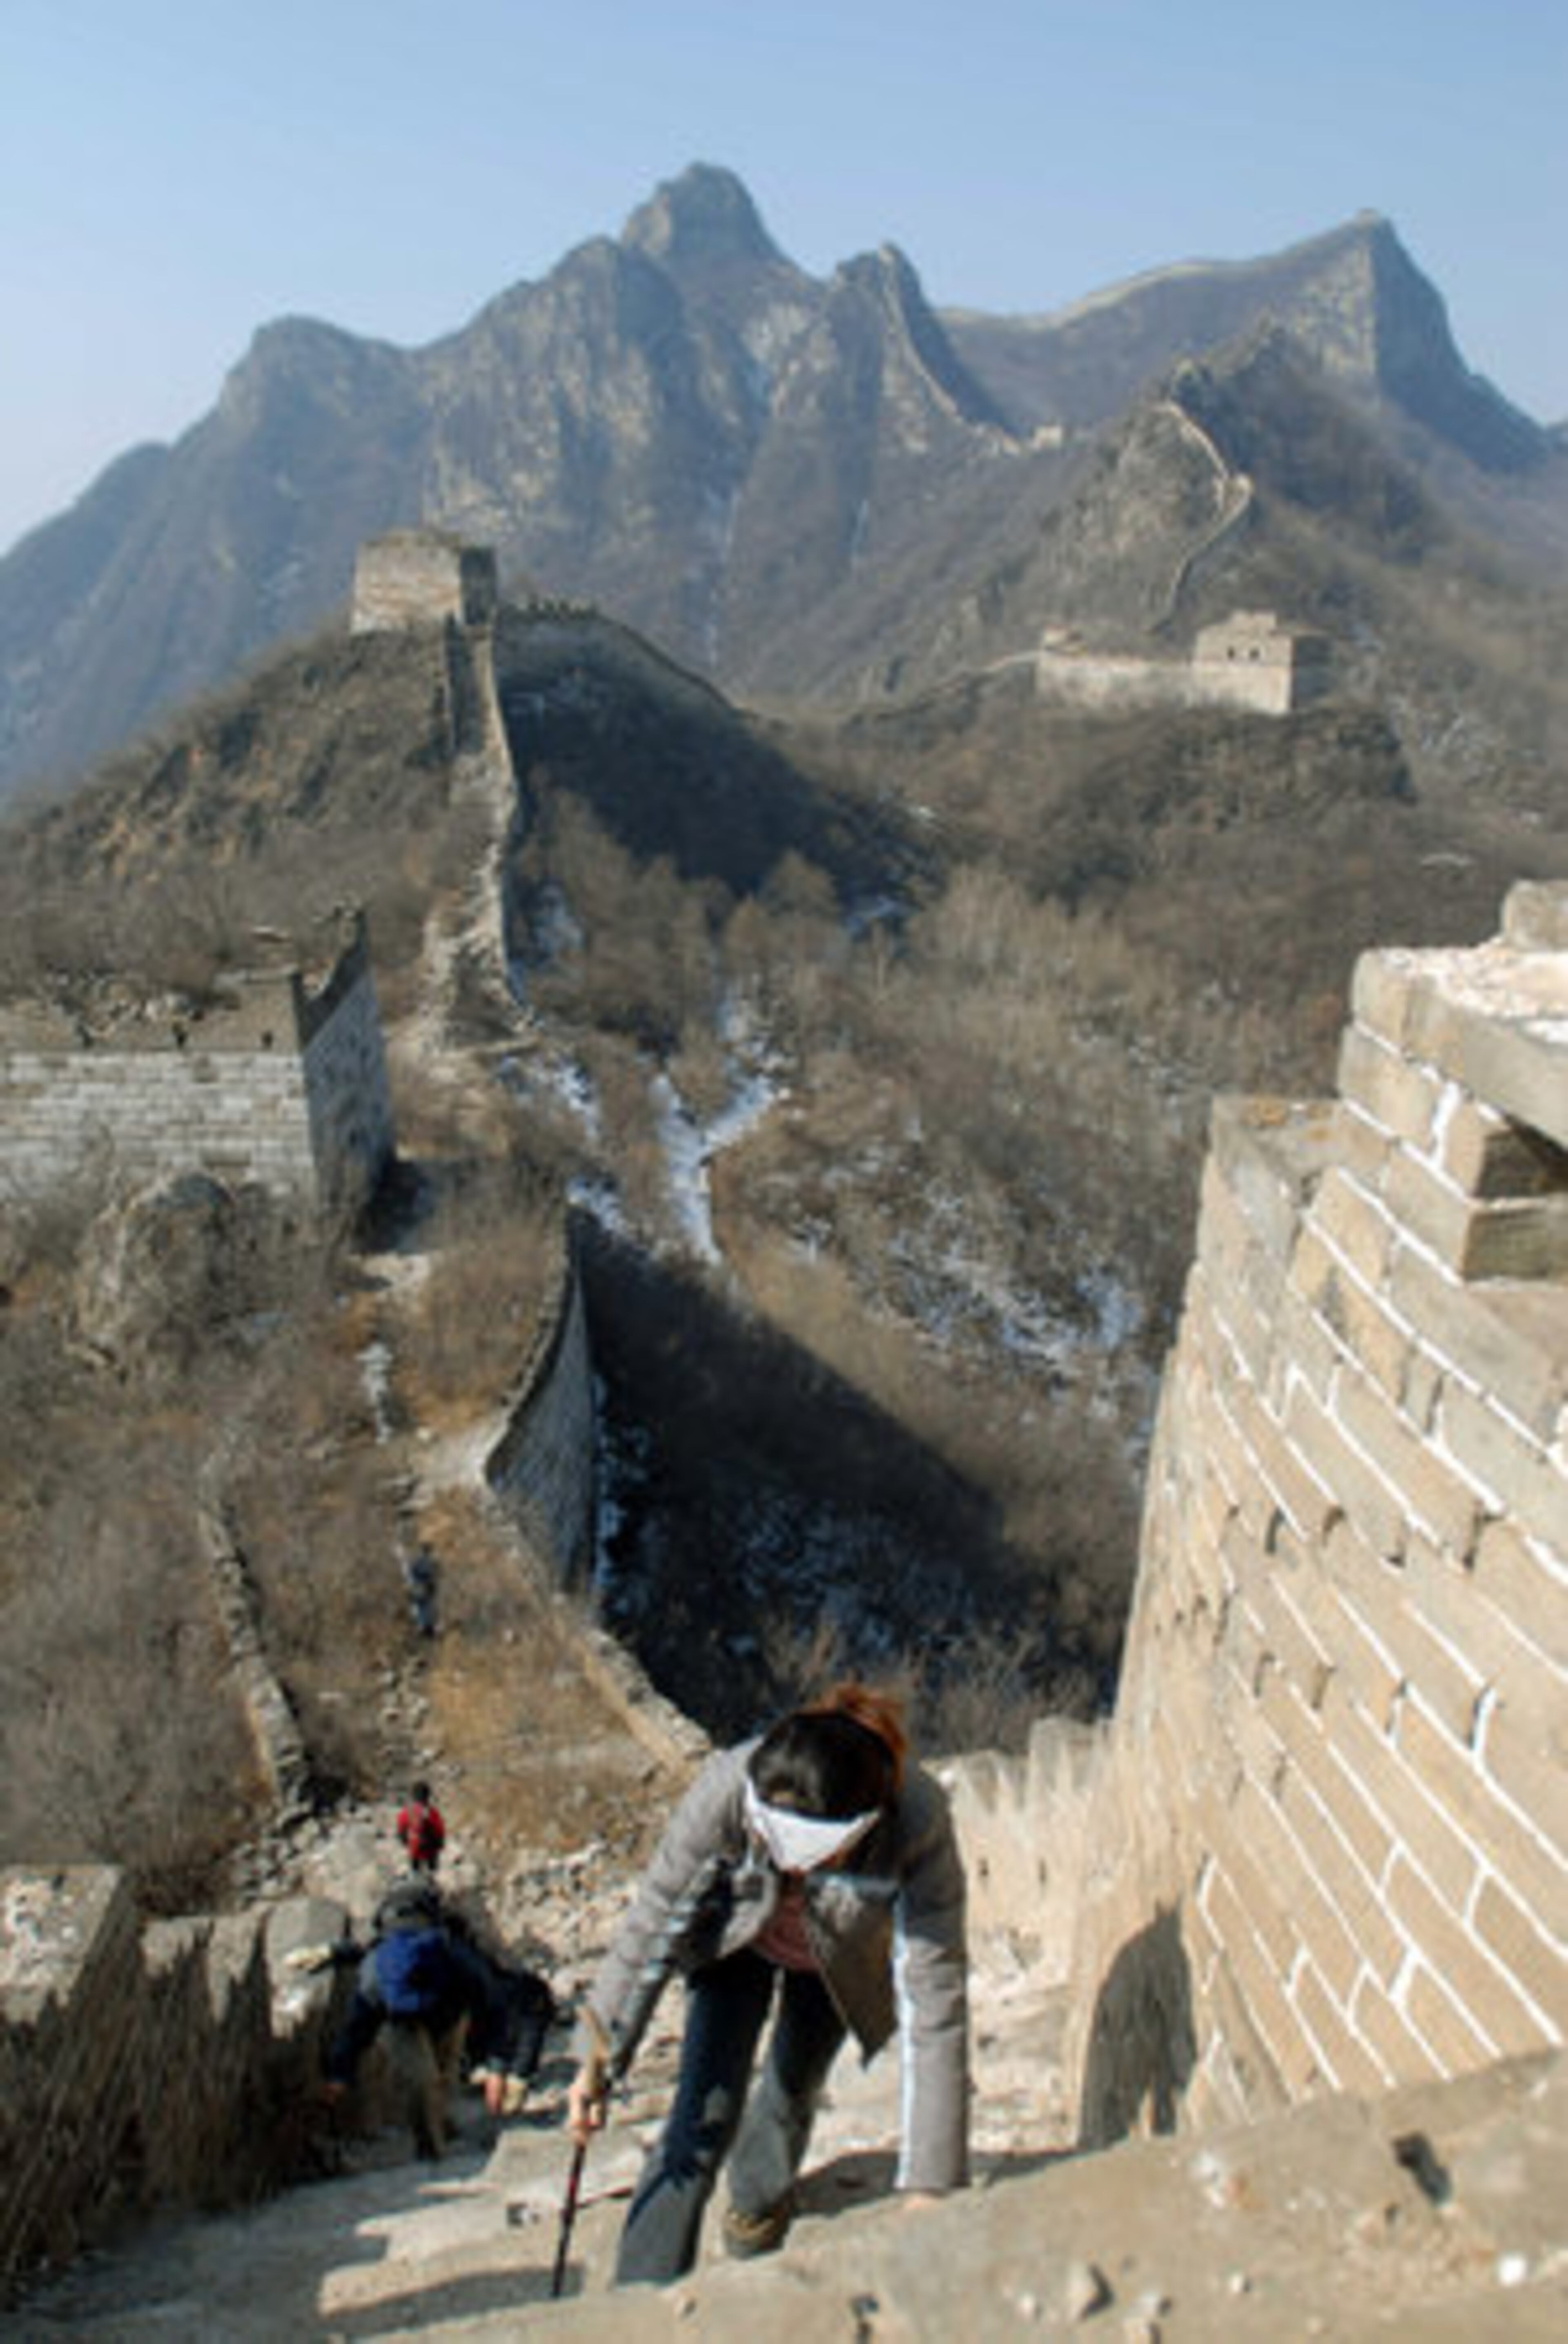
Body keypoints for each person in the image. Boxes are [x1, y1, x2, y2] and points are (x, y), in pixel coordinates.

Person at [567, 1683, 969, 2286]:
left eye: (818, 1856)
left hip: (841, 1960)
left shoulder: (916, 1818)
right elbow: (656, 1918)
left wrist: (932, 2181)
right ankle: (640, 2298)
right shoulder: (730, 1788)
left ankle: (755, 2220)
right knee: (701, 2113)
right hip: (735, 1943)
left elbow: (935, 1991)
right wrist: (599, 2056)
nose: (795, 1870)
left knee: (789, 2094)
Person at [323, 1879, 555, 2156]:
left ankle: (444, 2126)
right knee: (420, 2080)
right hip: (403, 2021)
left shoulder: (458, 1959)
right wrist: (339, 2074)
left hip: (450, 2009)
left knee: (445, 2072)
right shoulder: (375, 1980)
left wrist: (498, 2067)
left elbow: (495, 2006)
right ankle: (430, 2149)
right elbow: (356, 2030)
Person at [396, 1779, 446, 1873]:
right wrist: (440, 1844)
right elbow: (440, 1831)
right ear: (428, 1796)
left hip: (414, 1848)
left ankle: (415, 1877)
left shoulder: (407, 1812)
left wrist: (405, 1842)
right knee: (433, 1872)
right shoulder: (432, 1812)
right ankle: (432, 1878)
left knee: (415, 1870)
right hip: (430, 1850)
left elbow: (401, 1829)